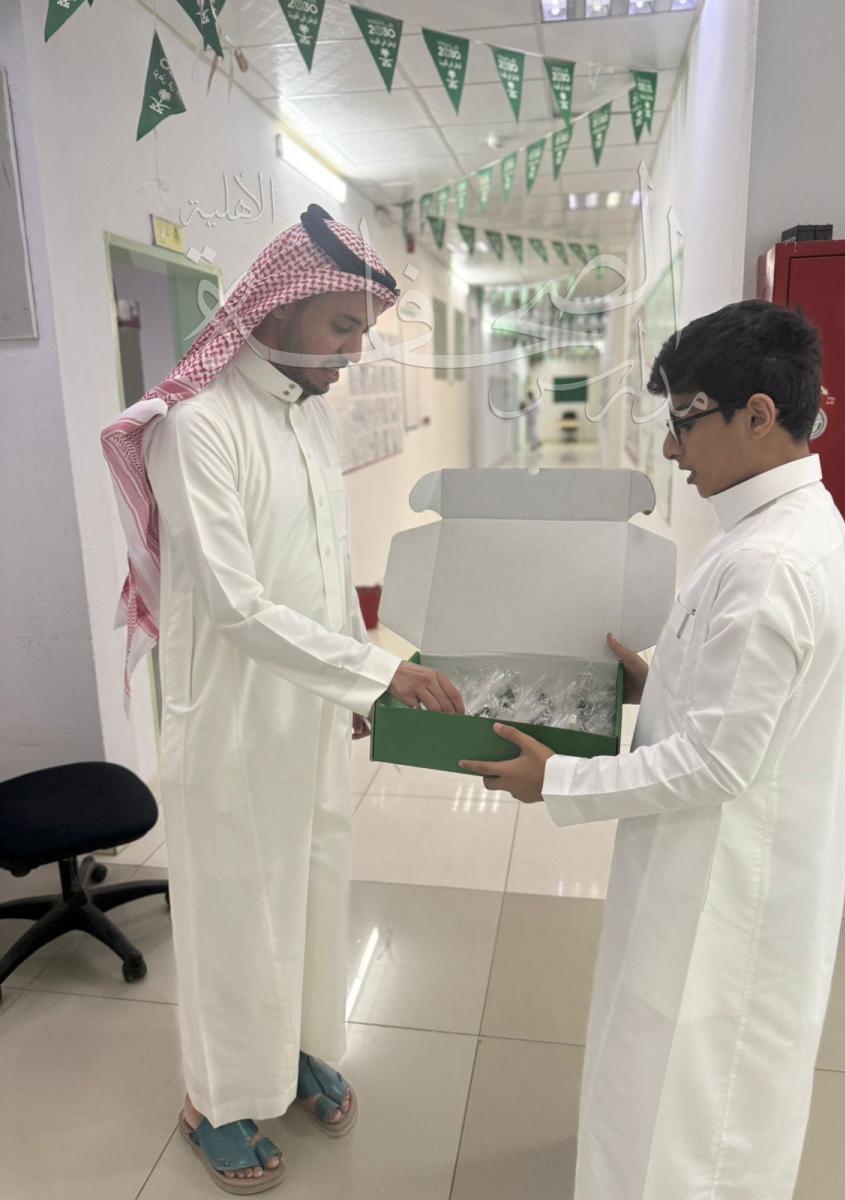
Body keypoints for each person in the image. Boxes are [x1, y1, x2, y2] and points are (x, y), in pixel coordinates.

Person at [101, 205, 463, 1194]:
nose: (353, 352)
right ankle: (216, 1100)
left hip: (306, 714)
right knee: (234, 916)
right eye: (342, 326)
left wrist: (350, 676)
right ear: (279, 307)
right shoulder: (197, 427)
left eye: (363, 331)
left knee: (311, 890)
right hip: (230, 724)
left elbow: (327, 571)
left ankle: (296, 1053)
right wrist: (377, 673)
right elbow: (235, 604)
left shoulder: (308, 416)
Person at [460, 300, 845, 1200]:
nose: (672, 450)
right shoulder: (780, 524)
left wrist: (558, 779)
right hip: (711, 862)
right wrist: (658, 680)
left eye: (684, 421)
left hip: (727, 890)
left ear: (758, 414)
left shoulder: (769, 562)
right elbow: (743, 697)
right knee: (659, 1081)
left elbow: (717, 762)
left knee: (695, 1114)